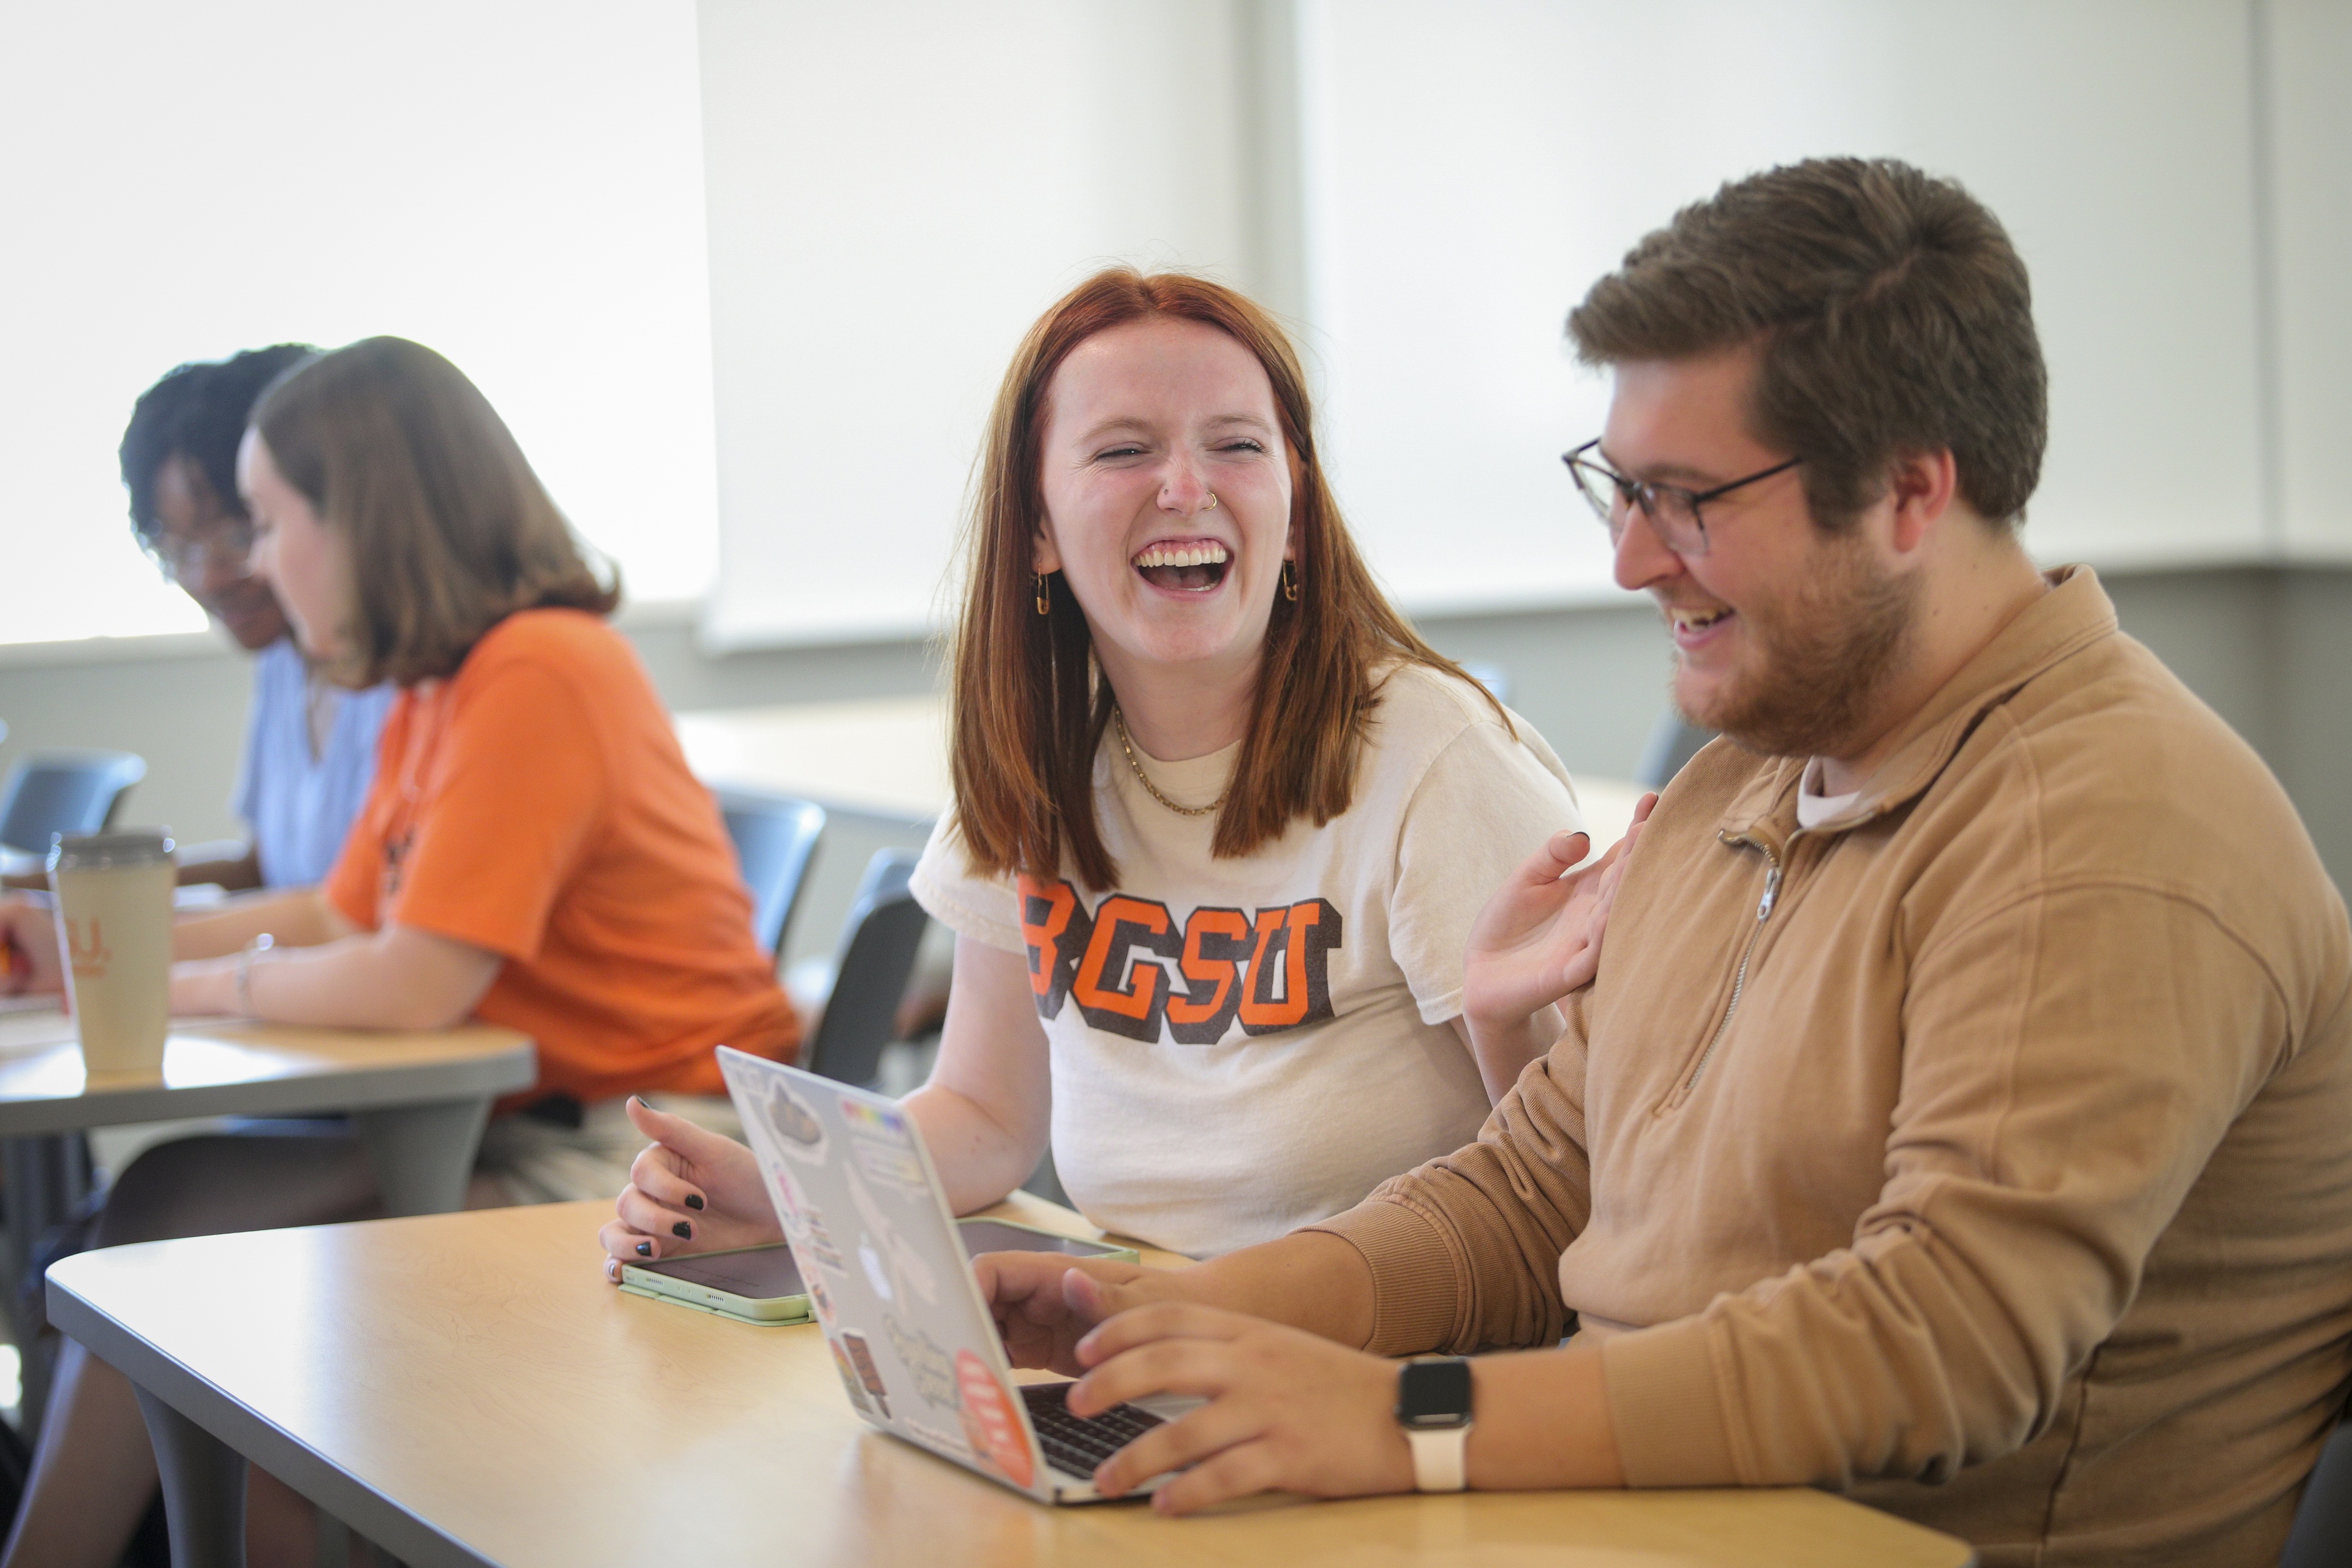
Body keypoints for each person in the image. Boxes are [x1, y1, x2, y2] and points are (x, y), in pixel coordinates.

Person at [971, 159, 2352, 1567]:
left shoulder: (2103, 830)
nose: (1630, 559)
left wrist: (1407, 1423)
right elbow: (1525, 1195)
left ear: (1907, 492)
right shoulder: (1746, 776)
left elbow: (1940, 1342)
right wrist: (1156, 1317)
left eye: (1685, 497)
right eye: (1618, 489)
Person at [604, 268, 1590, 1267]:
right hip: (1144, 1329)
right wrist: (788, 1186)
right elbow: (986, 1115)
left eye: (1237, 446)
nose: (1186, 487)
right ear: (1037, 527)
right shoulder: (1041, 755)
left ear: (1294, 510)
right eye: (1125, 450)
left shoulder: (1440, 761)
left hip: (1377, 1355)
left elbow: (1583, 1161)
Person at [0, 336, 799, 1568]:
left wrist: (153, 978)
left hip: (651, 1152)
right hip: (521, 1121)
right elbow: (333, 905)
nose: (255, 562)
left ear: (361, 519)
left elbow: (417, 977)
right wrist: (85, 953)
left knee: (234, 1295)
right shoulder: (444, 683)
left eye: (267, 523)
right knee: (159, 1217)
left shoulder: (543, 668)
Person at [3, 347, 394, 893]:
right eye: (177, 549)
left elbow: (351, 915)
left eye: (237, 536)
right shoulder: (283, 659)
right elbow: (265, 870)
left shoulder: (404, 674)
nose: (208, 578)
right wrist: (42, 888)